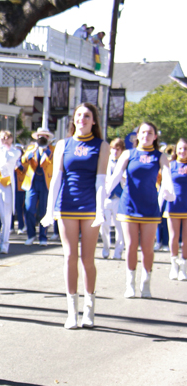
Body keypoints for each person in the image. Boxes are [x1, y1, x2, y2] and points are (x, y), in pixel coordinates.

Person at [40, 103, 110, 328]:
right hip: (66, 206)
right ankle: (72, 312)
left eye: (87, 116)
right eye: (79, 115)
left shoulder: (102, 145)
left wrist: (100, 210)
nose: (82, 119)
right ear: (74, 120)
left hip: (90, 207)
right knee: (69, 256)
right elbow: (57, 179)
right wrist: (50, 211)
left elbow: (101, 180)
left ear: (93, 121)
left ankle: (89, 308)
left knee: (87, 259)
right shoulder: (63, 144)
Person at [107, 121, 175, 298]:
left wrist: (169, 190)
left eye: (150, 133)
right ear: (137, 136)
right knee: (130, 246)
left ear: (155, 136)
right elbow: (115, 176)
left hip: (150, 207)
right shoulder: (129, 154)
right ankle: (130, 284)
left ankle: (146, 283)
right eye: (143, 132)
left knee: (147, 248)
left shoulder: (160, 156)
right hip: (128, 205)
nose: (146, 135)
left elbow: (167, 176)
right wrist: (104, 192)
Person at [22, 128, 54, 245]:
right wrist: (34, 150)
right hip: (32, 183)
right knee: (29, 209)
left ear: (48, 138)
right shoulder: (31, 149)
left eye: (45, 136)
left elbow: (52, 162)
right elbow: (23, 160)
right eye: (40, 136)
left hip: (46, 183)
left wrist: (46, 150)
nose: (42, 138)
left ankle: (43, 237)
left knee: (44, 210)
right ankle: (31, 235)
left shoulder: (52, 150)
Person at [101, 138, 126, 260]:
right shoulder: (105, 161)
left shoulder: (125, 162)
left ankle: (118, 252)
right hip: (106, 197)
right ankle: (106, 248)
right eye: (113, 148)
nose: (115, 151)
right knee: (104, 225)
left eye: (118, 149)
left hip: (119, 197)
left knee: (119, 227)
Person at [166, 138, 187, 280]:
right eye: (180, 148)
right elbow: (162, 184)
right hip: (173, 206)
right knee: (173, 237)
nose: (183, 151)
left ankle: (184, 267)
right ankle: (174, 266)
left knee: (186, 240)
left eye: (185, 148)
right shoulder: (170, 165)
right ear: (175, 149)